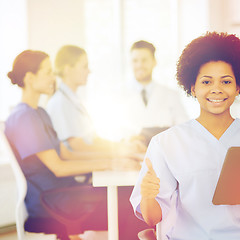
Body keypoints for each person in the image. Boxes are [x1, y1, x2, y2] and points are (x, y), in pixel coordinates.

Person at [130, 32, 240, 240]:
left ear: (238, 87)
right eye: (206, 82)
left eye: (226, 82)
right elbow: (152, 219)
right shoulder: (166, 143)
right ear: (192, 87)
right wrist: (148, 196)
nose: (216, 89)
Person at [5, 50, 148, 240]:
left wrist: (116, 158)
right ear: (30, 78)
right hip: (51, 201)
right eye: (47, 72)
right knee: (132, 203)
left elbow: (68, 154)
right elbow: (59, 167)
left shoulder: (39, 112)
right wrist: (111, 164)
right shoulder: (25, 118)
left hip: (63, 193)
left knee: (131, 196)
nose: (53, 77)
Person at [46, 45, 146, 157]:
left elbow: (94, 140)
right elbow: (78, 147)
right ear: (68, 69)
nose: (89, 71)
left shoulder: (73, 100)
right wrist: (120, 152)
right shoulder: (60, 102)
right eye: (84, 67)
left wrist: (124, 146)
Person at [122, 40, 188, 136]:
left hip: (165, 150)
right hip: (131, 150)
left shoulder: (171, 95)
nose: (139, 65)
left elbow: (183, 128)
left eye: (144, 60)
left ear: (154, 62)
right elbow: (114, 133)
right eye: (135, 60)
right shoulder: (118, 95)